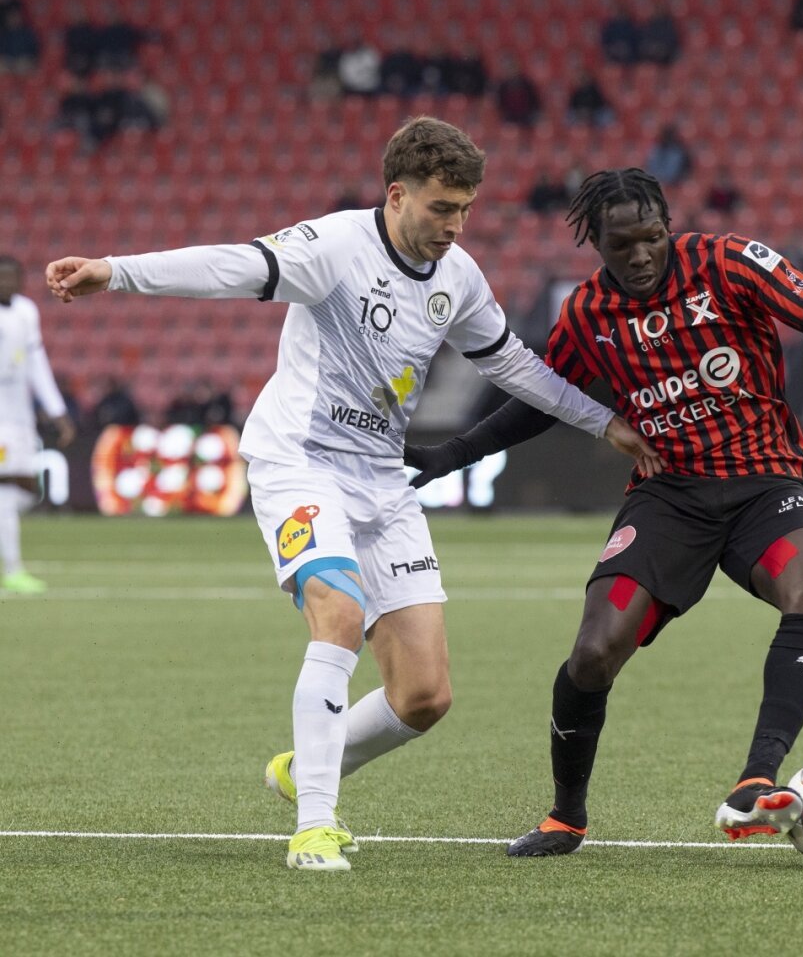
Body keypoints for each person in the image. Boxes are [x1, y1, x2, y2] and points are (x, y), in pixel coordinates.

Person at [45, 118, 660, 872]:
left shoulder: (458, 277)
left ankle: (306, 766)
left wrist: (606, 424)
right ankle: (314, 826)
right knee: (336, 613)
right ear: (397, 194)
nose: (455, 225)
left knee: (425, 696)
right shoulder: (334, 248)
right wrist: (115, 270)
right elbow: (233, 267)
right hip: (300, 461)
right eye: (441, 208)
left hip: (382, 478)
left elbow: (515, 366)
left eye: (465, 208)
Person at [403, 168, 803, 857]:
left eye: (653, 237)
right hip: (669, 499)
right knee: (592, 655)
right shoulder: (588, 314)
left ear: (668, 227)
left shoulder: (729, 262)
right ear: (596, 244)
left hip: (767, 484)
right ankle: (566, 816)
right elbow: (540, 399)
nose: (643, 254)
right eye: (624, 245)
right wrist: (453, 455)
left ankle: (757, 779)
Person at [0, 257, 77, 594]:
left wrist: (57, 411)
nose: (8, 284)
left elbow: (37, 365)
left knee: (26, 491)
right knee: (5, 493)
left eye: (13, 277)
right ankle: (13, 570)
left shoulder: (26, 312)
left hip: (19, 421)